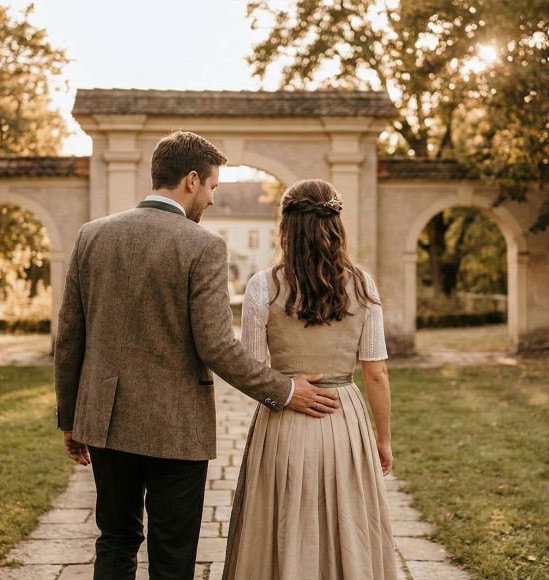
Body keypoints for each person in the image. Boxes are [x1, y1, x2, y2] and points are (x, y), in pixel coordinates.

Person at [54, 131, 342, 580]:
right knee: (173, 551)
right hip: (177, 425)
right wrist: (285, 390)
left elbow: (70, 336)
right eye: (211, 187)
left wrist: (71, 416)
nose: (211, 199)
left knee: (115, 539)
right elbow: (217, 345)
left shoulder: (92, 236)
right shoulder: (202, 245)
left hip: (105, 419)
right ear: (191, 180)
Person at [223, 179, 397, 579]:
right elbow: (376, 370)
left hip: (283, 417)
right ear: (336, 224)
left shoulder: (261, 286)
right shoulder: (362, 285)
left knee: (283, 519)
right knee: (347, 521)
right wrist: (382, 439)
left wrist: (284, 388)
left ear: (285, 227)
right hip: (344, 418)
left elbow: (252, 367)